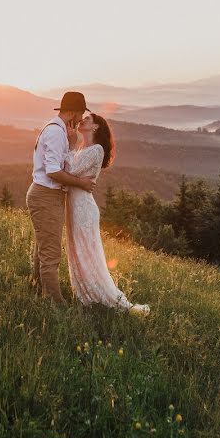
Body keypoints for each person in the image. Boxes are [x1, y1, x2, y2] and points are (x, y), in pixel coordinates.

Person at [64, 113, 150, 315]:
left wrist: (68, 144)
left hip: (84, 209)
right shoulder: (82, 148)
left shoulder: (97, 150)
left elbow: (71, 169)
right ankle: (85, 295)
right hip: (74, 206)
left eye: (87, 119)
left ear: (95, 128)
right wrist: (72, 145)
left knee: (88, 253)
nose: (82, 120)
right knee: (76, 251)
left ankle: (108, 300)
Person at [26, 92, 95, 305]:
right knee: (51, 253)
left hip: (47, 195)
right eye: (81, 112)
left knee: (43, 247)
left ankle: (37, 288)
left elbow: (60, 164)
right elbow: (53, 171)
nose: (81, 117)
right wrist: (81, 183)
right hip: (46, 195)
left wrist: (73, 143)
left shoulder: (56, 130)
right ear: (73, 112)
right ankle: (56, 304)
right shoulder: (56, 133)